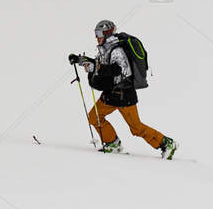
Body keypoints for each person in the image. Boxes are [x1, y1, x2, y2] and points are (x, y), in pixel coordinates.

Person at [68, 19, 177, 158]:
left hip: (124, 94)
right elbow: (99, 64)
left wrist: (97, 67)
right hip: (111, 94)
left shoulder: (117, 50)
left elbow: (119, 70)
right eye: (96, 33)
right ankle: (113, 143)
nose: (97, 37)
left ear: (107, 33)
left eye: (99, 33)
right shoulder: (105, 49)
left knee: (136, 128)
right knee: (94, 117)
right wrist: (80, 60)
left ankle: (166, 144)